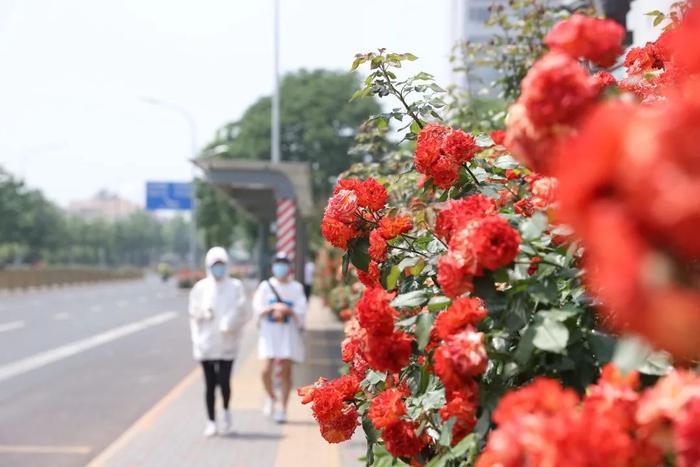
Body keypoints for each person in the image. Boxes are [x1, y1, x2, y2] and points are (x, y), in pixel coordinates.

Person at [189, 246, 250, 437]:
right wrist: (203, 313)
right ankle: (211, 421)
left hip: (227, 342)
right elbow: (193, 310)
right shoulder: (201, 288)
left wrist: (229, 323)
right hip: (206, 343)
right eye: (215, 265)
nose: (218, 268)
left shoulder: (235, 286)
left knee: (224, 382)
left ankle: (225, 410)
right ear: (208, 265)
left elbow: (243, 311)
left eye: (221, 264)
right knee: (209, 384)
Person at [252, 252, 307, 423]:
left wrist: (287, 310)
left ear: (289, 267)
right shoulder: (265, 286)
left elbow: (302, 310)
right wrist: (271, 308)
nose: (280, 267)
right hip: (269, 335)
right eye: (278, 263)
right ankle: (271, 396)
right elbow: (257, 308)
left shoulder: (296, 287)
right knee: (265, 371)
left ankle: (283, 408)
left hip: (287, 334)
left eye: (284, 263)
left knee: (285, 373)